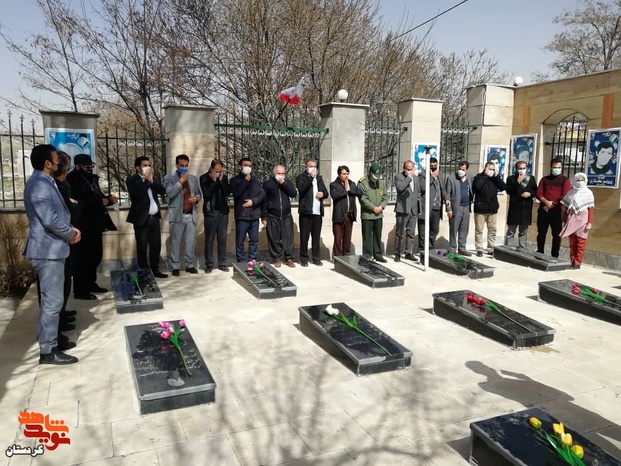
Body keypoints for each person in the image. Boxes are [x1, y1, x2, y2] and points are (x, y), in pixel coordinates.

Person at [25, 144, 81, 365]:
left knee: (54, 301)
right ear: (47, 163)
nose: (59, 162)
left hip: (53, 249)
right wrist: (70, 233)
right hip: (48, 251)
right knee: (51, 302)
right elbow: (49, 219)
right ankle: (47, 350)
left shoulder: (46, 181)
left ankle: (52, 341)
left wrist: (69, 230)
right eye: (56, 159)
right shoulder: (39, 184)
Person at [67, 154, 117, 300]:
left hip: (96, 223)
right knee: (83, 258)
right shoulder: (72, 179)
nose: (89, 168)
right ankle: (80, 290)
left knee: (95, 256)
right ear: (77, 166)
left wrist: (108, 200)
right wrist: (99, 202)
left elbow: (97, 196)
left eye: (91, 166)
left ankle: (91, 283)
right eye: (86, 166)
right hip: (83, 223)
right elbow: (78, 201)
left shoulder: (92, 179)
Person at [126, 156, 168, 278]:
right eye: (145, 165)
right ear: (138, 168)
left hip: (154, 218)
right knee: (142, 246)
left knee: (156, 246)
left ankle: (155, 269)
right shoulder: (132, 179)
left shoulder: (152, 178)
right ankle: (144, 270)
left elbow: (162, 191)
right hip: (141, 219)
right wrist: (147, 181)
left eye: (149, 165)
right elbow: (137, 194)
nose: (148, 167)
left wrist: (152, 181)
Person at [53, 152, 78, 341]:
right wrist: (70, 233)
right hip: (55, 244)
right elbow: (52, 218)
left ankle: (61, 316)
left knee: (65, 282)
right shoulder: (50, 186)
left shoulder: (63, 185)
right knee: (54, 292)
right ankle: (54, 333)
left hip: (65, 241)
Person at [164, 154, 201, 276]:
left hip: (190, 214)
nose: (184, 168)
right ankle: (175, 266)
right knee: (175, 242)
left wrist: (196, 199)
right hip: (177, 215)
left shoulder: (193, 179)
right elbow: (169, 193)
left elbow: (198, 194)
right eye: (182, 165)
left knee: (190, 242)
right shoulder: (169, 178)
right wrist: (180, 182)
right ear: (176, 165)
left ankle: (190, 265)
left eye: (186, 165)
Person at [261, 165, 297, 267]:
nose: (281, 175)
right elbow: (263, 201)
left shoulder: (287, 183)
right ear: (274, 173)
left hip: (286, 215)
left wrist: (284, 184)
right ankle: (276, 258)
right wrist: (263, 217)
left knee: (288, 238)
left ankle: (289, 258)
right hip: (272, 215)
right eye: (279, 173)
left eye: (282, 173)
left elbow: (293, 194)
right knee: (274, 238)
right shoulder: (268, 184)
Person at [230, 157, 265, 263]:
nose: (248, 167)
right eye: (245, 165)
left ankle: (252, 261)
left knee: (254, 240)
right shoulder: (234, 180)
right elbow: (236, 193)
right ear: (239, 167)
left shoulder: (256, 180)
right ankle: (241, 261)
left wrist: (253, 202)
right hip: (242, 215)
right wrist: (245, 181)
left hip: (254, 214)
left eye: (250, 166)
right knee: (240, 240)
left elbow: (262, 194)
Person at [536, 158, 571, 258]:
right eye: (555, 167)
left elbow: (565, 195)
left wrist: (553, 204)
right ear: (551, 167)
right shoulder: (544, 179)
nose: (556, 169)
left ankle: (554, 255)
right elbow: (538, 193)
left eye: (559, 167)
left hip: (557, 211)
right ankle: (540, 252)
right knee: (541, 232)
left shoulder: (565, 180)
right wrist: (546, 202)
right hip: (543, 210)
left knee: (556, 234)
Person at [200, 159, 230, 273]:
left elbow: (227, 193)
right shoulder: (204, 178)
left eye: (220, 170)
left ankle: (222, 263)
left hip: (222, 212)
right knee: (209, 239)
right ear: (211, 169)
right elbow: (206, 194)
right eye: (216, 170)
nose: (218, 172)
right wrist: (213, 181)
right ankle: (209, 264)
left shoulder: (224, 178)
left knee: (222, 239)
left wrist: (221, 181)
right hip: (210, 212)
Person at [296, 159, 328, 266]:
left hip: (317, 212)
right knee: (304, 237)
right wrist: (310, 177)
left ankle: (316, 258)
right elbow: (302, 189)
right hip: (306, 212)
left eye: (315, 166)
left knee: (316, 237)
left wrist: (322, 194)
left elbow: (326, 193)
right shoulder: (301, 177)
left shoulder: (319, 178)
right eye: (311, 166)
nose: (313, 168)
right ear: (306, 168)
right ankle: (304, 259)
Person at [560, 173, 595, 269]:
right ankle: (572, 260)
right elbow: (566, 208)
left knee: (581, 242)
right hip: (572, 219)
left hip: (583, 220)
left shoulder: (588, 193)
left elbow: (591, 208)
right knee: (572, 242)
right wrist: (565, 221)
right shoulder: (571, 192)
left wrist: (589, 223)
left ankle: (577, 262)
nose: (580, 182)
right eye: (578, 180)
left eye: (582, 180)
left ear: (585, 181)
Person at [472, 162, 506, 256]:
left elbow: (503, 187)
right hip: (480, 209)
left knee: (492, 230)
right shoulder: (479, 177)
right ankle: (479, 248)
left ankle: (491, 248)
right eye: (490, 169)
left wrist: (497, 177)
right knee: (479, 230)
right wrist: (485, 176)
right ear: (485, 169)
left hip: (492, 209)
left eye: (493, 169)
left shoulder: (495, 179)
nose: (491, 171)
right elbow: (477, 187)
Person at [330, 165, 362, 257]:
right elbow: (334, 195)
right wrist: (345, 191)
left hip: (349, 215)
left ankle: (346, 256)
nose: (346, 176)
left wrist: (350, 190)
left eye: (347, 174)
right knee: (338, 238)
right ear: (339, 175)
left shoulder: (352, 183)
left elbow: (359, 193)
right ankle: (337, 257)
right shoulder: (334, 184)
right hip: (339, 215)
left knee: (347, 238)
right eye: (344, 174)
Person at [359, 162, 388, 262]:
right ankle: (367, 255)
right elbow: (362, 198)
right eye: (375, 175)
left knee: (378, 235)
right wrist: (373, 208)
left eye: (378, 175)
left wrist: (381, 206)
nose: (376, 178)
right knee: (367, 236)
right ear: (370, 173)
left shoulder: (381, 182)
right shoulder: (362, 183)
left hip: (379, 214)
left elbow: (386, 196)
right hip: (368, 215)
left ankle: (378, 255)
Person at [505, 160, 537, 249]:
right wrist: (517, 182)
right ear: (516, 169)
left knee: (523, 231)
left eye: (524, 168)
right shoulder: (511, 179)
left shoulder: (531, 178)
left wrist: (530, 194)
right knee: (511, 230)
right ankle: (508, 249)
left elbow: (535, 190)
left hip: (526, 208)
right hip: (515, 208)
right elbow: (508, 191)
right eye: (520, 168)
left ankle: (522, 248)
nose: (522, 170)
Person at [445, 161, 474, 256]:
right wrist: (449, 209)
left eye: (463, 169)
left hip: (466, 207)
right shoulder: (451, 178)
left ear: (467, 170)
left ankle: (462, 248)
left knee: (464, 229)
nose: (461, 171)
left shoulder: (470, 178)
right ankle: (452, 248)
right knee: (454, 228)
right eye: (460, 169)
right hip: (456, 207)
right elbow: (447, 194)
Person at [394, 160, 420, 262]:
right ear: (404, 168)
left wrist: (419, 208)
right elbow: (400, 188)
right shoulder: (399, 177)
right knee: (399, 233)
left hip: (413, 210)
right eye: (407, 169)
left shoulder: (416, 178)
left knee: (411, 233)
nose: (409, 171)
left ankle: (408, 252)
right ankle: (397, 253)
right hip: (402, 209)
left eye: (411, 169)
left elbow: (418, 194)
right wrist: (408, 178)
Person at [418, 157, 444, 256]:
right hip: (426, 207)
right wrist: (432, 177)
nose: (433, 167)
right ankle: (422, 249)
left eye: (435, 166)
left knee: (434, 229)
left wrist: (447, 199)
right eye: (431, 166)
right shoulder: (422, 175)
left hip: (437, 207)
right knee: (423, 230)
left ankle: (431, 247)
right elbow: (422, 188)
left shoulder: (440, 175)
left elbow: (442, 189)